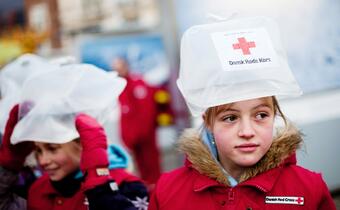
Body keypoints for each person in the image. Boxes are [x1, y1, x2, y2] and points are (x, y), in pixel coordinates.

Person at [149, 16, 336, 209]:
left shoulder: (308, 189)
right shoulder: (168, 193)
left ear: (274, 115)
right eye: (230, 118)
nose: (247, 131)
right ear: (208, 122)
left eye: (261, 115)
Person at [0, 60, 150, 210]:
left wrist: (100, 186)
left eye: (52, 148)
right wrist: (8, 166)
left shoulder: (125, 185)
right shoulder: (38, 190)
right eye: (38, 150)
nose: (43, 160)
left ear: (82, 143)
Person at [112, 57, 161, 189]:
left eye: (119, 66)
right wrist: (127, 137)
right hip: (133, 138)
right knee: (140, 168)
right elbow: (124, 113)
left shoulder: (138, 82)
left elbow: (147, 110)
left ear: (126, 66)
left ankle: (156, 191)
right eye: (115, 67)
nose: (117, 70)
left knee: (152, 166)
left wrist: (141, 133)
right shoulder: (119, 87)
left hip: (145, 136)